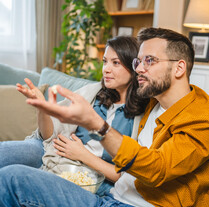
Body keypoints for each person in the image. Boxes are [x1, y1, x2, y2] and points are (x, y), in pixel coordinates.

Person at [0, 27, 209, 207]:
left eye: (150, 61)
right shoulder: (152, 102)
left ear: (179, 68)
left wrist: (96, 125)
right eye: (139, 61)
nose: (138, 68)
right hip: (106, 202)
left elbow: (158, 169)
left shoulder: (203, 117)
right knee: (10, 178)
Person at [0, 36, 148, 195]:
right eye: (105, 61)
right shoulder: (92, 93)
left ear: (134, 67)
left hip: (90, 178)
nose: (106, 69)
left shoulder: (142, 114)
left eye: (115, 63)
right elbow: (49, 136)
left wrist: (83, 155)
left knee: (11, 179)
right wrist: (41, 107)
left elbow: (128, 177)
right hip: (51, 152)